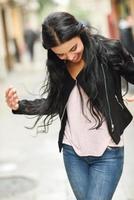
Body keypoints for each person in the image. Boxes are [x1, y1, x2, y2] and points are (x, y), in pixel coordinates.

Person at [5, 12, 134, 200]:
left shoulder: (108, 51)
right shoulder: (58, 65)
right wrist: (19, 105)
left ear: (80, 32)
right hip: (72, 153)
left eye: (73, 48)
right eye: (61, 54)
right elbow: (54, 103)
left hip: (108, 152)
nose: (70, 56)